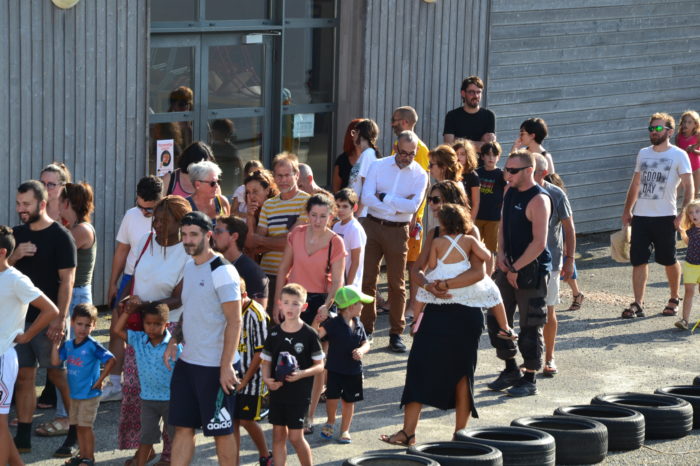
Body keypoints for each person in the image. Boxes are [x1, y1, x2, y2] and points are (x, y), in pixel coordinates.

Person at [379, 222, 491, 446]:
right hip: (435, 310)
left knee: (462, 374)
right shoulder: (434, 232)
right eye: (432, 200)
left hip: (465, 312)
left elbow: (481, 272)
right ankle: (408, 433)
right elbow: (417, 270)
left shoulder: (471, 232)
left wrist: (445, 284)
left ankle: (461, 436)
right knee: (418, 366)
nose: (433, 205)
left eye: (438, 200)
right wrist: (430, 286)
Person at [165, 211, 243, 466]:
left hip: (216, 367)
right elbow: (191, 309)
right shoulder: (189, 266)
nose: (187, 240)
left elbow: (235, 320)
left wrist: (226, 366)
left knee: (221, 431)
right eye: (184, 234)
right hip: (189, 363)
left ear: (208, 236)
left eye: (193, 235)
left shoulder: (222, 271)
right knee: (183, 428)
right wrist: (175, 340)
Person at [118, 196, 191, 460]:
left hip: (170, 331)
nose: (157, 225)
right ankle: (144, 449)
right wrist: (124, 300)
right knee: (136, 392)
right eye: (155, 220)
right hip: (141, 329)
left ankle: (170, 456)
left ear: (180, 222)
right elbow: (133, 277)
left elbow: (180, 298)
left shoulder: (187, 251)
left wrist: (145, 306)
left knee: (169, 397)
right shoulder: (146, 241)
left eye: (163, 221)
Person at [9, 180, 77, 456]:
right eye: (18, 204)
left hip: (49, 321)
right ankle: (22, 438)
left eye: (26, 204)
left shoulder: (61, 236)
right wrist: (15, 255)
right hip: (19, 321)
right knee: (24, 377)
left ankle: (75, 433)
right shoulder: (15, 235)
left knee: (59, 376)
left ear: (42, 204)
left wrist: (59, 320)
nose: (20, 209)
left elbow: (67, 282)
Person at [273, 193, 346, 433]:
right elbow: (284, 267)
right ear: (307, 214)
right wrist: (277, 302)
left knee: (316, 361)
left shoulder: (336, 241)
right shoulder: (297, 234)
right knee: (286, 354)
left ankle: (309, 415)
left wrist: (327, 305)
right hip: (294, 297)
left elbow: (337, 280)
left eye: (323, 216)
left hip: (320, 301)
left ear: (331, 216)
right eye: (313, 215)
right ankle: (286, 409)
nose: (317, 220)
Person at [488, 149, 552, 398]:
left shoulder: (539, 199)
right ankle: (510, 369)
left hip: (531, 271)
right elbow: (502, 226)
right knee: (496, 320)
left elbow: (539, 243)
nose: (507, 174)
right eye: (506, 169)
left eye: (512, 171)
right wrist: (501, 255)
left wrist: (517, 268)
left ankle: (530, 377)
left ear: (529, 171)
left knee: (530, 325)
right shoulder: (509, 190)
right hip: (508, 267)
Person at [361, 130, 429, 352]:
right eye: (402, 152)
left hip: (398, 231)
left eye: (411, 154)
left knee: (397, 284)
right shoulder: (378, 165)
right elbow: (366, 198)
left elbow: (413, 207)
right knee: (368, 279)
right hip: (372, 226)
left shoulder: (420, 175)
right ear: (395, 147)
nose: (406, 157)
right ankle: (366, 329)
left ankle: (395, 333)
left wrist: (384, 197)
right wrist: (398, 203)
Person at [621, 113, 694, 319]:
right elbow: (636, 183)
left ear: (670, 132)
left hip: (666, 216)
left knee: (668, 259)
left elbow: (689, 186)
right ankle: (638, 303)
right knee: (638, 261)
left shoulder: (679, 155)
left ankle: (674, 298)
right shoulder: (643, 153)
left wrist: (683, 213)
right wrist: (628, 210)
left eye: (659, 128)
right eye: (652, 128)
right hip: (641, 217)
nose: (654, 132)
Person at [0, 225, 60, 466]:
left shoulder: (16, 280)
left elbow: (50, 310)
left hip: (3, 358)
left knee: (0, 425)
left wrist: (25, 336)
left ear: (2, 252)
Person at [413, 203, 514, 339]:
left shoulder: (437, 241)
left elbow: (432, 264)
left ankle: (415, 323)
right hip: (462, 276)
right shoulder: (470, 240)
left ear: (443, 223)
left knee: (421, 296)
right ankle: (505, 327)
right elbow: (487, 256)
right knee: (494, 294)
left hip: (442, 275)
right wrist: (482, 247)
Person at [103, 175, 162, 403]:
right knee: (117, 328)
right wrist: (112, 282)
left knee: (151, 332)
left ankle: (147, 384)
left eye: (150, 209)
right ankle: (115, 382)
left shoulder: (171, 216)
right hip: (131, 278)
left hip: (156, 280)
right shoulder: (131, 215)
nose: (145, 213)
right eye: (141, 207)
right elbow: (121, 250)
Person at [261, 283, 324, 466]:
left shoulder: (310, 334)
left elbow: (320, 366)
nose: (290, 307)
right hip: (277, 393)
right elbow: (266, 362)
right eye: (287, 302)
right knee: (278, 436)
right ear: (280, 304)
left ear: (304, 307)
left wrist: (302, 374)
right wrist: (267, 379)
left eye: (295, 303)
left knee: (296, 437)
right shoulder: (273, 333)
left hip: (299, 394)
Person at [112, 302, 180, 466]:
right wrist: (128, 312)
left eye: (157, 324)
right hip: (148, 399)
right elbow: (117, 330)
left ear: (167, 324)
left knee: (175, 437)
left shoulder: (174, 346)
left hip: (171, 399)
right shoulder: (138, 340)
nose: (151, 328)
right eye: (148, 323)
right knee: (146, 438)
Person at [50, 304, 115, 466]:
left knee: (86, 427)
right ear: (72, 323)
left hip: (89, 394)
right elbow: (55, 361)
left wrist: (100, 380)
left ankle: (89, 457)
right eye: (79, 324)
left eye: (88, 325)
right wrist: (55, 344)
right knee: (78, 426)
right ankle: (82, 455)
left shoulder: (93, 345)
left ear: (94, 326)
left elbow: (111, 360)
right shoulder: (69, 345)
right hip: (74, 394)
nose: (83, 328)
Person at [248, 153, 310, 312]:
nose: (282, 180)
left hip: (294, 276)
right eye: (279, 176)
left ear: (296, 175)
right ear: (274, 177)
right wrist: (281, 242)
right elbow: (255, 245)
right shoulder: (268, 205)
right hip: (267, 274)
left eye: (287, 175)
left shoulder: (307, 202)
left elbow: (293, 241)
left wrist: (266, 241)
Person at [533, 155, 576, 377]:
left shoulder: (556, 194)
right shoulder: (516, 190)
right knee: (529, 314)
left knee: (549, 310)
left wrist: (570, 259)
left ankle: (549, 357)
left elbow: (569, 229)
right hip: (524, 261)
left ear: (541, 173)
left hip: (551, 261)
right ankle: (531, 359)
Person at [313, 285, 371, 444]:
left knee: (349, 401)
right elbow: (316, 335)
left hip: (353, 370)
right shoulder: (333, 323)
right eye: (360, 303)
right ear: (351, 305)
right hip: (334, 369)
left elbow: (366, 343)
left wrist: (361, 350)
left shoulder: (359, 323)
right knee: (332, 398)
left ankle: (345, 430)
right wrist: (317, 321)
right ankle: (330, 422)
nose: (362, 306)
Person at [232, 281, 272, 466]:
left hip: (252, 378)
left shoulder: (256, 314)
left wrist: (245, 379)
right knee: (232, 421)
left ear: (244, 294)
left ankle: (265, 455)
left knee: (247, 420)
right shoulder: (229, 309)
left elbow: (261, 351)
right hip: (231, 375)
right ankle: (233, 461)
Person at [58, 183, 97, 322]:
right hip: (74, 293)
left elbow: (55, 254)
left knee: (74, 342)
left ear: (67, 203)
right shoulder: (73, 227)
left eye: (59, 201)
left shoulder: (81, 230)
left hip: (76, 294)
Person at [214, 215, 270, 309]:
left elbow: (258, 314)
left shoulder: (253, 272)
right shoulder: (212, 264)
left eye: (218, 232)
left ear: (234, 236)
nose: (213, 235)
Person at [443, 75, 496, 150]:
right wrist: (479, 144)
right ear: (463, 93)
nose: (476, 95)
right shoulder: (452, 116)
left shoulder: (489, 116)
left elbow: (487, 148)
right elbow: (448, 145)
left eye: (478, 92)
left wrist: (457, 141)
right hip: (458, 161)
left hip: (480, 162)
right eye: (472, 92)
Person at [475, 142, 506, 256]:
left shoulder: (502, 175)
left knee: (492, 250)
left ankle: (491, 272)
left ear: (498, 157)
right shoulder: (476, 173)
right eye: (488, 155)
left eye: (494, 155)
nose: (491, 158)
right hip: (477, 217)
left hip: (494, 218)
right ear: (482, 156)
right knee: (475, 248)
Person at [333, 188, 367, 288]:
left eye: (345, 206)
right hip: (337, 280)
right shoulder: (336, 226)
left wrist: (349, 286)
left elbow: (355, 261)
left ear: (354, 207)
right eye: (337, 206)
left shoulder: (355, 229)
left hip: (350, 284)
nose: (340, 210)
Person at [347, 119, 380, 217]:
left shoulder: (368, 155)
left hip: (362, 214)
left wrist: (357, 213)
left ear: (359, 133)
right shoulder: (365, 154)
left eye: (354, 132)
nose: (352, 136)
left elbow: (366, 188)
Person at [677, 199, 700, 330]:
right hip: (690, 266)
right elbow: (688, 243)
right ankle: (685, 320)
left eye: (697, 211)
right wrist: (682, 232)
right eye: (691, 212)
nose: (694, 214)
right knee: (689, 291)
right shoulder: (690, 230)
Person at [209, 118, 243, 193]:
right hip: (216, 183)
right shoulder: (211, 147)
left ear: (221, 132)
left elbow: (239, 167)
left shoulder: (231, 150)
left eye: (214, 130)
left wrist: (240, 186)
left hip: (227, 184)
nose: (212, 132)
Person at [332, 119, 363, 192]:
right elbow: (336, 191)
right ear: (352, 135)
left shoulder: (374, 156)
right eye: (359, 133)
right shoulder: (342, 161)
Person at [453, 139, 480, 219]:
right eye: (456, 154)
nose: (459, 157)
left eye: (462, 154)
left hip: (466, 216)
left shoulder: (473, 176)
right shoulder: (450, 173)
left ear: (468, 155)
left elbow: (476, 203)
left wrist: (470, 222)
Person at [676, 110, 700, 196]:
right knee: (676, 191)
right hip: (683, 168)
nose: (686, 124)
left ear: (695, 124)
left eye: (689, 122)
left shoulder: (698, 135)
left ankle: (693, 209)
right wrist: (684, 151)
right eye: (684, 122)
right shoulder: (678, 136)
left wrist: (694, 150)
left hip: (696, 168)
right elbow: (677, 153)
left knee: (695, 193)